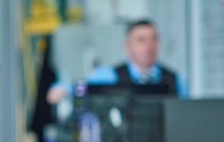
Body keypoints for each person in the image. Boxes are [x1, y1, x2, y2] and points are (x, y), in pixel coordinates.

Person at [46, 18, 187, 104]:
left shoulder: (176, 80)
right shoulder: (110, 76)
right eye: (141, 40)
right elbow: (84, 87)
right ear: (127, 47)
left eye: (154, 39)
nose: (149, 45)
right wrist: (65, 89)